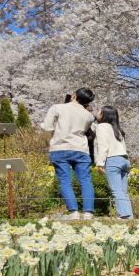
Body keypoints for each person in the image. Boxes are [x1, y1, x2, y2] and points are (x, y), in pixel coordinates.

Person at [40, 88, 96, 220]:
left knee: (65, 181)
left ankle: (73, 212)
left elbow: (47, 128)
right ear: (87, 102)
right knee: (85, 181)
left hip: (60, 147)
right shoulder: (89, 116)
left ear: (74, 96)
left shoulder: (57, 108)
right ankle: (88, 212)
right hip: (80, 149)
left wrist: (43, 125)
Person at [93, 105, 133, 219]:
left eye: (99, 111)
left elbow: (103, 146)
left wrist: (100, 164)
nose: (97, 113)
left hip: (113, 159)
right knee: (123, 191)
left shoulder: (102, 127)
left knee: (116, 190)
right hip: (124, 160)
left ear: (103, 115)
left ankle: (123, 215)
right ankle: (129, 218)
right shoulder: (117, 128)